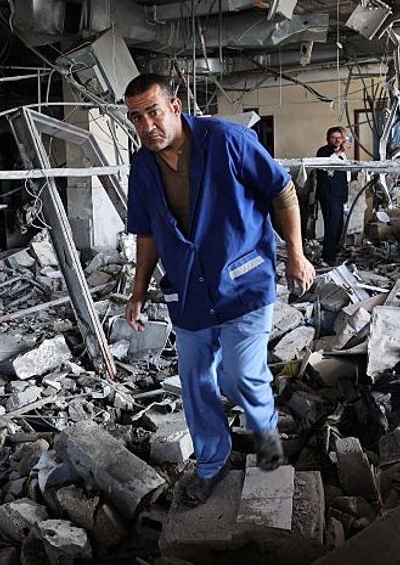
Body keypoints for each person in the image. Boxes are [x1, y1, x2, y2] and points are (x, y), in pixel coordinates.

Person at [122, 74, 315, 505]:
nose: (147, 125)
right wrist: (137, 292)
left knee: (241, 376)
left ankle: (269, 455)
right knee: (194, 380)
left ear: (175, 106)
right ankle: (212, 463)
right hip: (189, 292)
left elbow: (283, 191)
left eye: (153, 112)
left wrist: (296, 254)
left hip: (243, 284)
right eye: (137, 118)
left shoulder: (228, 140)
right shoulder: (142, 167)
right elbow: (147, 235)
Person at [314, 126, 349, 265]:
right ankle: (328, 257)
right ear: (328, 139)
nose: (336, 140)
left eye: (339, 138)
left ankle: (334, 252)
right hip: (328, 195)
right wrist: (341, 150)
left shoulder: (342, 154)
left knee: (338, 225)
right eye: (333, 137)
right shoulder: (323, 151)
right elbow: (327, 164)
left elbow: (345, 175)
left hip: (339, 195)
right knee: (331, 225)